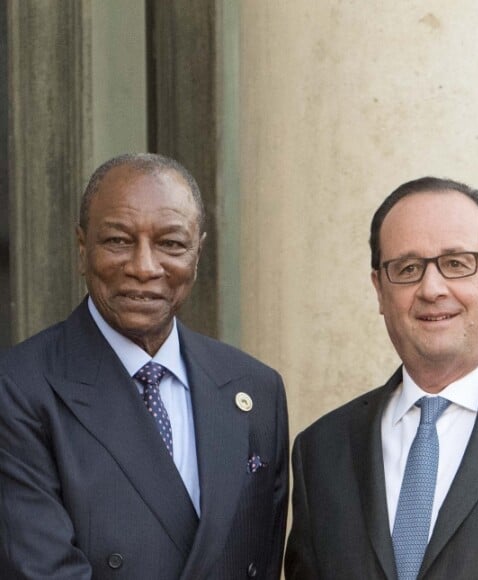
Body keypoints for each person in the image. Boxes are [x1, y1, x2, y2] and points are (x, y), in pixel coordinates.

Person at [0, 153, 288, 580]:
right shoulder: (19, 387)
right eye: (118, 241)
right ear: (82, 249)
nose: (144, 267)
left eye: (171, 243)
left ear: (197, 252)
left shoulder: (256, 389)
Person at [285, 176, 478, 579]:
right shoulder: (321, 451)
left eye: (457, 263)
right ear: (379, 290)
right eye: (407, 269)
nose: (432, 288)